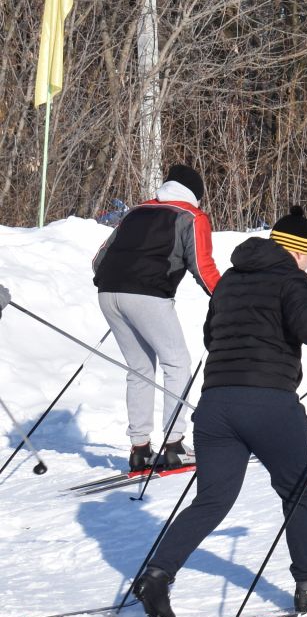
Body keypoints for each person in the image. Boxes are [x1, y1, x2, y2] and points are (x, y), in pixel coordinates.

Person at [129, 207, 307, 617]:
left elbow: (212, 335)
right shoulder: (291, 278)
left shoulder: (231, 279)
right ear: (298, 251)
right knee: (299, 492)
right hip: (269, 405)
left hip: (215, 406)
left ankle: (157, 574)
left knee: (212, 500)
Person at [91, 163, 222, 471]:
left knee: (139, 368)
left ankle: (139, 450)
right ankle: (175, 446)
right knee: (176, 363)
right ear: (196, 194)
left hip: (108, 292)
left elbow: (99, 259)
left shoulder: (135, 212)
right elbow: (202, 268)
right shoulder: (192, 216)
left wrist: (123, 287)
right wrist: (229, 297)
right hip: (147, 295)